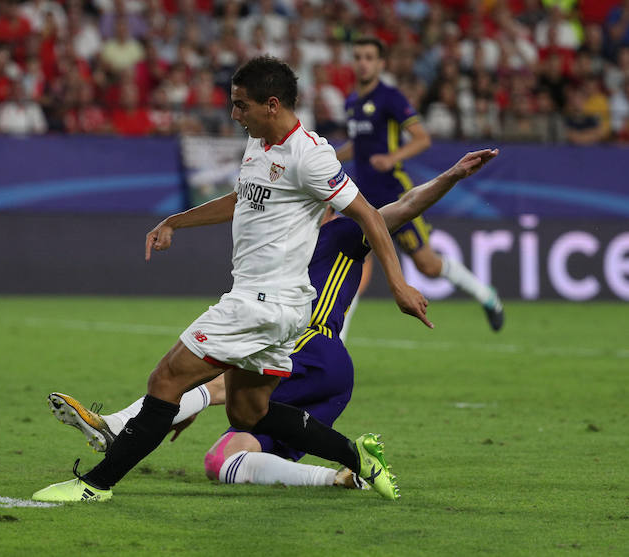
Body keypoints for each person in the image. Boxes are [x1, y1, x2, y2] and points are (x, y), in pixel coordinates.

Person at [31, 56, 431, 503]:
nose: (234, 114)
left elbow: (371, 218)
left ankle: (94, 485)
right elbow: (243, 199)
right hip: (277, 306)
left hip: (262, 302)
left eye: (241, 106)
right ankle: (359, 459)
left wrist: (398, 285)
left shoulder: (310, 156)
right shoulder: (259, 142)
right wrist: (176, 221)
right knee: (248, 412)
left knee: (165, 381)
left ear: (272, 104)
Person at [46, 149, 499, 491]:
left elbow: (405, 206)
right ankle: (344, 473)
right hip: (325, 371)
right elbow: (239, 202)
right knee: (224, 457)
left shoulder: (343, 230)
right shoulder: (284, 244)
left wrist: (452, 175)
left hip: (313, 346)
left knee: (211, 379)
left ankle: (119, 426)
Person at [336, 37, 503, 339]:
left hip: (394, 195)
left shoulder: (390, 98)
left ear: (380, 64)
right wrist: (330, 158)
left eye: (369, 57)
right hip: (361, 197)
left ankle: (486, 295)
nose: (363, 62)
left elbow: (421, 138)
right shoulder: (351, 102)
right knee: (350, 263)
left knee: (427, 265)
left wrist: (392, 158)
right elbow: (357, 146)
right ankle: (336, 342)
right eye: (358, 56)